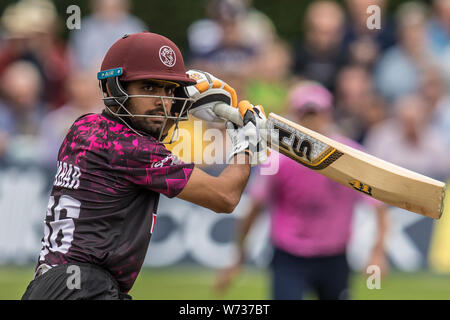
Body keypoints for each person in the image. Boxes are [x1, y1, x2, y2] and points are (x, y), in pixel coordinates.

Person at [21, 32, 268, 300]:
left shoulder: (85, 126)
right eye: (149, 88)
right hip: (83, 287)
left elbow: (152, 136)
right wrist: (246, 143)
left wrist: (182, 107)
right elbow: (225, 196)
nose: (162, 102)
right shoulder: (130, 149)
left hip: (57, 285)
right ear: (116, 89)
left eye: (169, 91)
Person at [215, 81, 389, 300]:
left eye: (317, 113)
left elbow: (378, 206)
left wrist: (377, 253)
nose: (312, 121)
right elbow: (255, 209)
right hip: (289, 255)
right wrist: (238, 257)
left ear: (328, 114)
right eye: (306, 114)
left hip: (334, 255)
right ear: (295, 117)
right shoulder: (276, 160)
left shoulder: (350, 156)